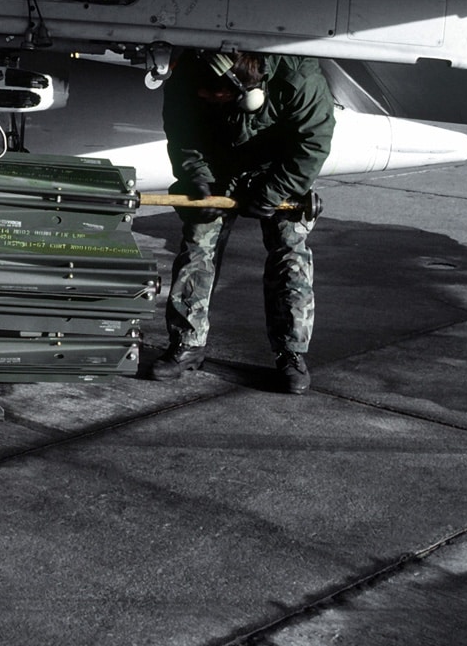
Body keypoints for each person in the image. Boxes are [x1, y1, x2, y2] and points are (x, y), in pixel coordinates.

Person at [139, 47, 335, 394]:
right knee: (197, 246)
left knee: (289, 253)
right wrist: (198, 178)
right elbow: (183, 134)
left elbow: (313, 142)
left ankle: (291, 354)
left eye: (220, 98)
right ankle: (187, 344)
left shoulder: (299, 79)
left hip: (280, 169)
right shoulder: (186, 78)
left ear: (248, 92)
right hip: (216, 167)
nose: (212, 103)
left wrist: (274, 191)